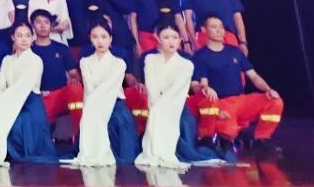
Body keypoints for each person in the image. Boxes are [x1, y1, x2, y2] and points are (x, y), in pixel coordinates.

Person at [192, 14, 282, 156]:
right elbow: (201, 86)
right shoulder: (200, 56)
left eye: (221, 27)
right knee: (228, 131)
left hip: (241, 100)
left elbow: (254, 76)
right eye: (214, 27)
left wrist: (268, 89)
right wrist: (215, 107)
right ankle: (222, 138)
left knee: (274, 101)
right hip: (222, 103)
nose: (219, 30)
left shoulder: (234, 51)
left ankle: (261, 139)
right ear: (204, 30)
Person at [0, 21, 58, 166]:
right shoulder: (7, 60)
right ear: (13, 37)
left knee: (18, 123)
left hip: (29, 103)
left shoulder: (36, 60)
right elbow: (0, 82)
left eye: (27, 35)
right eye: (19, 35)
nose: (24, 39)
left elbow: (22, 86)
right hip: (9, 101)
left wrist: (1, 103)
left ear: (33, 37)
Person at [63, 20, 138, 167]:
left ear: (110, 39)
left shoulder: (119, 63)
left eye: (104, 37)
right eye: (95, 37)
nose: (100, 41)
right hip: (92, 103)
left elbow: (109, 87)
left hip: (114, 103)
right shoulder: (85, 62)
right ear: (90, 39)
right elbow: (89, 87)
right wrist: (92, 107)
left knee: (118, 121)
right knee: (90, 117)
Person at [134, 21, 201, 170]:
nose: (171, 41)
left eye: (175, 37)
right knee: (155, 114)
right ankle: (152, 152)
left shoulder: (186, 64)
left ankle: (165, 153)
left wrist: (160, 106)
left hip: (174, 104)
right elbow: (151, 85)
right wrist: (155, 104)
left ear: (180, 39)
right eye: (166, 37)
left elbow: (177, 90)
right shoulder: (150, 59)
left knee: (164, 117)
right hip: (155, 102)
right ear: (158, 38)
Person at [29, 9, 84, 134]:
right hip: (43, 96)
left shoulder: (61, 48)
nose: (43, 26)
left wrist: (74, 79)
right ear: (32, 26)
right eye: (38, 22)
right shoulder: (29, 50)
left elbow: (73, 73)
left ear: (51, 26)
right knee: (40, 128)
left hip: (63, 94)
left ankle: (79, 132)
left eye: (46, 22)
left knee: (76, 89)